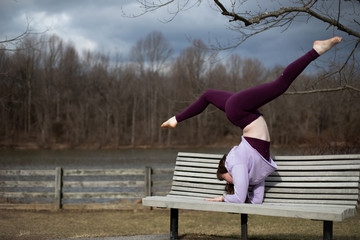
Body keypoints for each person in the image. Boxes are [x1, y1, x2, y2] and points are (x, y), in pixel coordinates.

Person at [161, 37, 342, 204]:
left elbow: (238, 197)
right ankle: (176, 119)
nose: (230, 182)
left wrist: (224, 198)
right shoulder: (254, 174)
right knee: (209, 95)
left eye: (226, 179)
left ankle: (315, 51)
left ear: (227, 169)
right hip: (247, 114)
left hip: (240, 112)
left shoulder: (236, 164)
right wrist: (232, 195)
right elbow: (255, 201)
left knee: (279, 85)